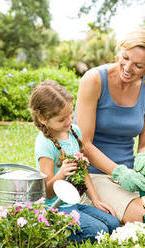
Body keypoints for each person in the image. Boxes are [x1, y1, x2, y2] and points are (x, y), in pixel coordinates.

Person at [74, 26, 145, 228]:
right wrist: (119, 173)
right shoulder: (94, 79)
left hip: (131, 172)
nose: (127, 68)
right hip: (95, 173)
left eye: (138, 66)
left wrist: (144, 158)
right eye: (125, 58)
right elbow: (84, 144)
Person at [29, 80, 120, 244]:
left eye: (71, 114)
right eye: (62, 119)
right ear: (43, 118)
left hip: (74, 203)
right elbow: (46, 192)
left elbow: (83, 171)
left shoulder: (73, 132)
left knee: (113, 224)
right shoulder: (45, 144)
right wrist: (62, 173)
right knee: (99, 231)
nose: (69, 120)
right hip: (55, 209)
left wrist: (96, 201)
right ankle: (54, 236)